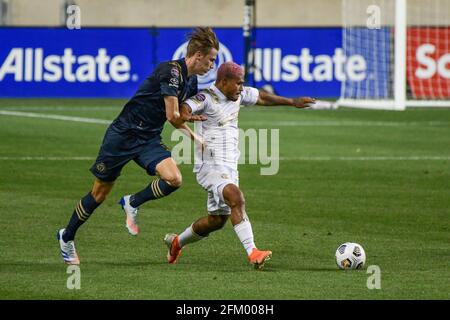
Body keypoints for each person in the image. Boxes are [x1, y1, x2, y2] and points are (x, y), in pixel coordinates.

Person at [57, 27, 219, 265]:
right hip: (123, 135)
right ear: (198, 55)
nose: (213, 65)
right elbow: (173, 116)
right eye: (211, 59)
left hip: (148, 138)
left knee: (174, 179)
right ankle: (67, 236)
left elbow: (179, 115)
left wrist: (198, 129)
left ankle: (132, 201)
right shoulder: (171, 71)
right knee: (99, 194)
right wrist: (194, 135)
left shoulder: (191, 81)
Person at [163, 61, 315, 270]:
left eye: (243, 84)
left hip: (229, 168)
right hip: (210, 166)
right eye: (238, 83)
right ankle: (253, 252)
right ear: (224, 81)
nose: (242, 88)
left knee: (217, 220)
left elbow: (261, 96)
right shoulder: (207, 97)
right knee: (237, 198)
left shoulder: (238, 95)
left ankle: (176, 242)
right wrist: (186, 115)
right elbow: (185, 108)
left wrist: (292, 101)